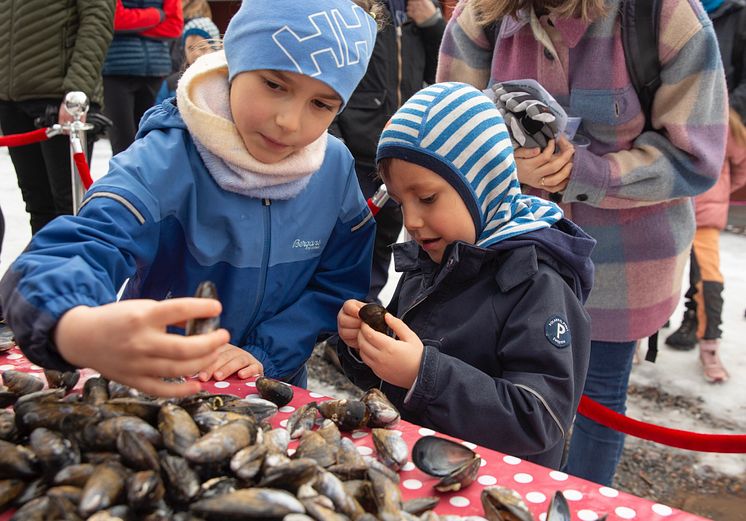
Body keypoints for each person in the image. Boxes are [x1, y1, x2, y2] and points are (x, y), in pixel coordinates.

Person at [0, 0, 378, 398]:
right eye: (274, 84)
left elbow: (339, 284)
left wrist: (266, 350)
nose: (289, 121)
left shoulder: (333, 168)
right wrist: (71, 325)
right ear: (237, 62)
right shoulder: (165, 160)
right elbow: (78, 246)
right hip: (160, 385)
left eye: (321, 104)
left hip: (273, 391)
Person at [437, 0, 727, 485]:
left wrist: (592, 172)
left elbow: (695, 156)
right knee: (498, 393)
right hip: (505, 255)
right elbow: (447, 126)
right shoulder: (481, 14)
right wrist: (500, 162)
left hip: (623, 268)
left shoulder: (666, 16)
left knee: (599, 402)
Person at [336, 82, 595, 468]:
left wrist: (424, 374)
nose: (412, 221)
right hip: (422, 473)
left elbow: (539, 418)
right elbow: (398, 378)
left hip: (497, 486)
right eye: (401, 201)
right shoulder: (431, 259)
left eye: (426, 198)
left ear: (483, 183)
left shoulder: (538, 282)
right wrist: (367, 348)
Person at [329, 0, 445, 301]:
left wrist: (432, 24)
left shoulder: (419, 9)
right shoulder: (357, 6)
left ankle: (362, 318)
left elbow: (442, 71)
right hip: (356, 152)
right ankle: (333, 324)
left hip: (401, 154)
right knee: (347, 243)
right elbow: (333, 74)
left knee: (383, 244)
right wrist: (335, 143)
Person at [664, 0, 746, 384]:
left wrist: (729, 111)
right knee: (664, 260)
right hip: (670, 187)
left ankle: (708, 340)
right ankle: (659, 321)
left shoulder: (738, 15)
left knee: (707, 270)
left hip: (723, 135)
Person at [0, 0, 115, 234]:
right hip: (11, 96)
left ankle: (71, 269)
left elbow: (97, 20)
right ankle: (44, 269)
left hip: (60, 98)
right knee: (37, 204)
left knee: (69, 207)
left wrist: (77, 89)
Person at [103, 0, 184, 155]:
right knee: (123, 147)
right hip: (117, 70)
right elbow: (114, 19)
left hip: (155, 71)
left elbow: (174, 26)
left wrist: (132, 25)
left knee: (154, 144)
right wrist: (155, 15)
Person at [155, 16, 222, 104]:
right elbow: (159, 112)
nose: (196, 53)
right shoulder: (171, 84)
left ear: (215, 49)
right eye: (190, 48)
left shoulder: (223, 80)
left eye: (202, 47)